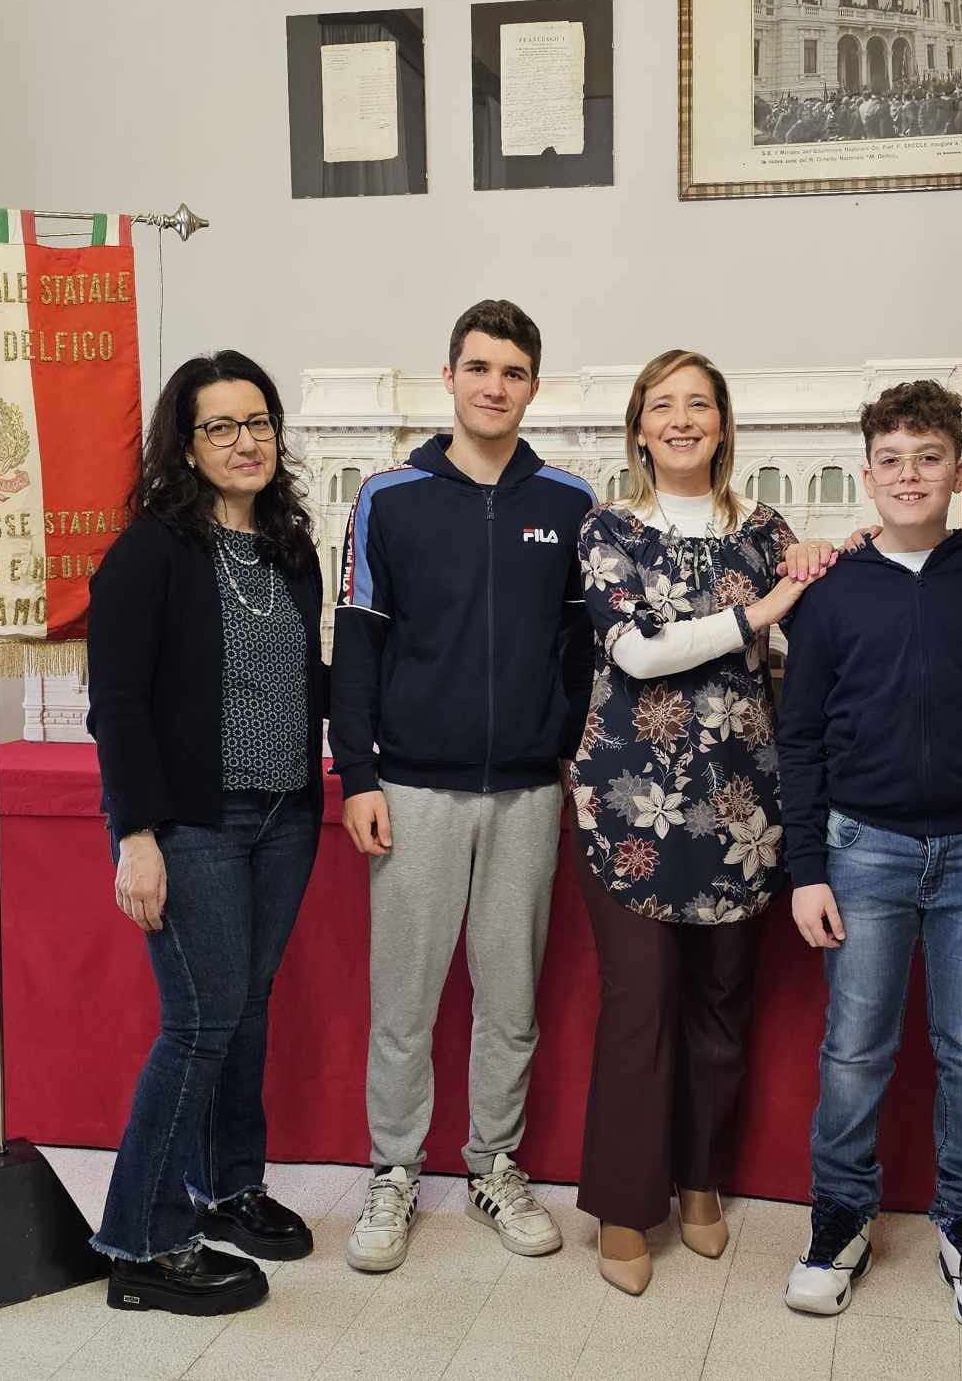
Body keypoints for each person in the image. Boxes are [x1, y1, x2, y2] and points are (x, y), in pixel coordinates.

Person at [331, 299, 596, 1273]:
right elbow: (356, 644)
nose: (494, 386)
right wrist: (358, 774)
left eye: (512, 372)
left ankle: (493, 1165)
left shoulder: (568, 503)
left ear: (533, 387)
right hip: (412, 789)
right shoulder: (388, 497)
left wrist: (564, 749)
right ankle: (394, 1172)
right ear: (448, 376)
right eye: (478, 368)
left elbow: (579, 648)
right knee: (404, 1000)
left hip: (526, 792)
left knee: (510, 998)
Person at [568, 349, 835, 1296]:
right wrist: (758, 613)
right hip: (627, 806)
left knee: (723, 1005)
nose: (681, 420)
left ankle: (700, 1182)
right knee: (640, 1004)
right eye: (663, 405)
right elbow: (637, 653)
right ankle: (622, 1205)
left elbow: (818, 632)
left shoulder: (764, 530)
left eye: (699, 405)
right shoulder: (609, 527)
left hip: (741, 805)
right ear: (640, 427)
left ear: (723, 425)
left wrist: (823, 563)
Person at [85, 350, 330, 1316]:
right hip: (193, 821)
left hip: (285, 813)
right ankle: (141, 1245)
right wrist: (135, 834)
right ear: (185, 446)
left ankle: (226, 1189)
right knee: (198, 1024)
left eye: (258, 422)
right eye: (220, 426)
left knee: (248, 1007)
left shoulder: (290, 549)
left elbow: (302, 680)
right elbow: (117, 704)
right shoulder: (149, 553)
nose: (244, 442)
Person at [776, 380, 962, 1332]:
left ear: (960, 471)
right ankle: (840, 1221)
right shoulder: (829, 589)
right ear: (867, 474)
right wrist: (807, 870)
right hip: (861, 851)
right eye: (891, 460)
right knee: (854, 1049)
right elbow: (800, 737)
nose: (909, 475)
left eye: (928, 458)